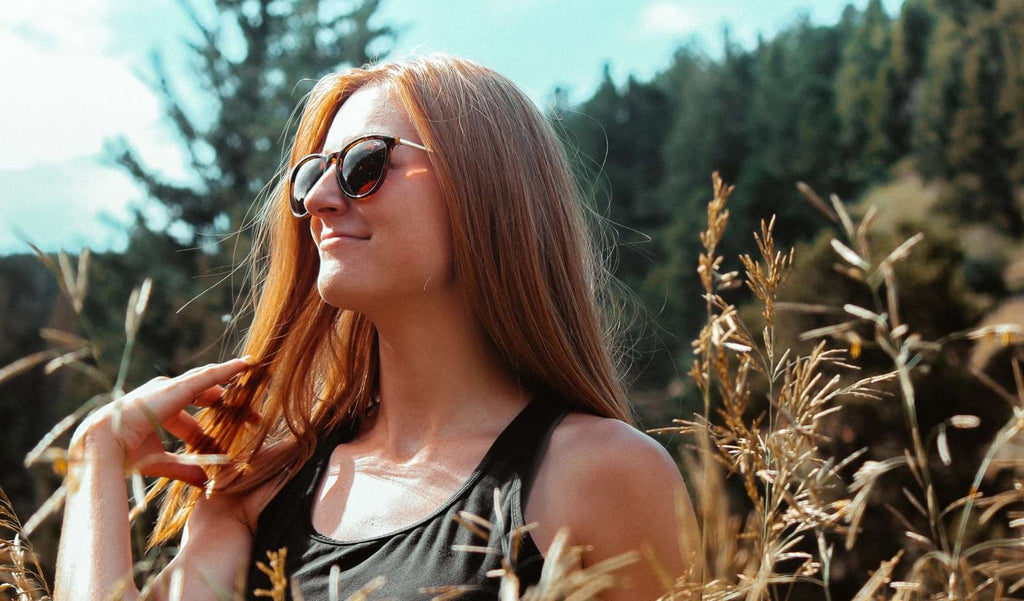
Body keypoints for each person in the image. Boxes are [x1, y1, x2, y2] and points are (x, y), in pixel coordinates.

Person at [54, 55, 699, 600]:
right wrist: (94, 458)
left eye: (364, 165)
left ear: (485, 186)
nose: (318, 200)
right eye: (312, 174)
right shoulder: (266, 489)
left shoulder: (599, 475)